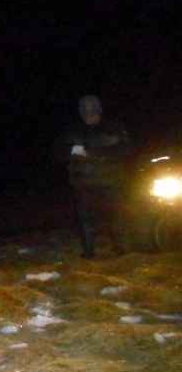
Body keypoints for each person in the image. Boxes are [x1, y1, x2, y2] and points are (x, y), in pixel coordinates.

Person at [53, 95, 132, 259]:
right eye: (86, 114)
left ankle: (120, 249)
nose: (90, 117)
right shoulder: (72, 130)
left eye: (93, 113)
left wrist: (100, 153)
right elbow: (58, 152)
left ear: (100, 111)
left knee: (116, 215)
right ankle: (88, 252)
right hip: (83, 182)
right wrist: (75, 151)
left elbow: (126, 148)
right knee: (85, 217)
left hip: (110, 180)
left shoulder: (113, 127)